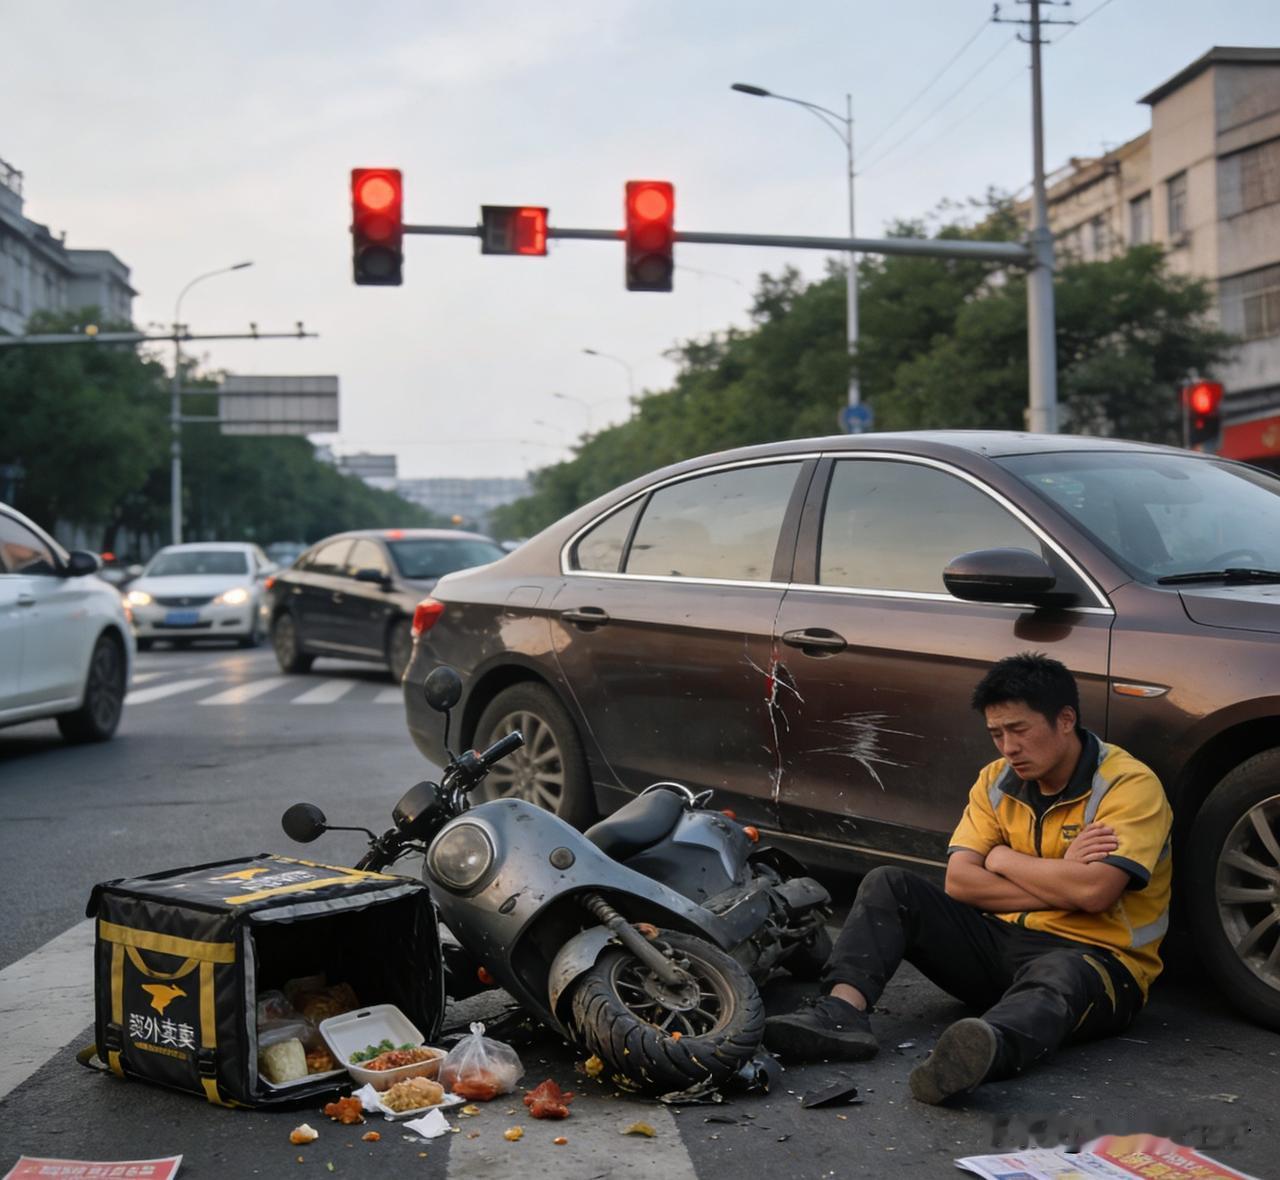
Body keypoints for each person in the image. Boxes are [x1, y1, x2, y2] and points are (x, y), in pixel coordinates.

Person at [763, 651, 1173, 1104]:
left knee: (1060, 972)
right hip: (1000, 943)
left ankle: (980, 1052)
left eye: (1019, 730)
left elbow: (1095, 892)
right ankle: (842, 1013)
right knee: (889, 882)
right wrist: (1063, 878)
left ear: (1065, 719)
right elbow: (960, 882)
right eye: (996, 734)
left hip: (1098, 960)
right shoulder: (995, 781)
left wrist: (1000, 859)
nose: (1008, 747)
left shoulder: (1128, 786)